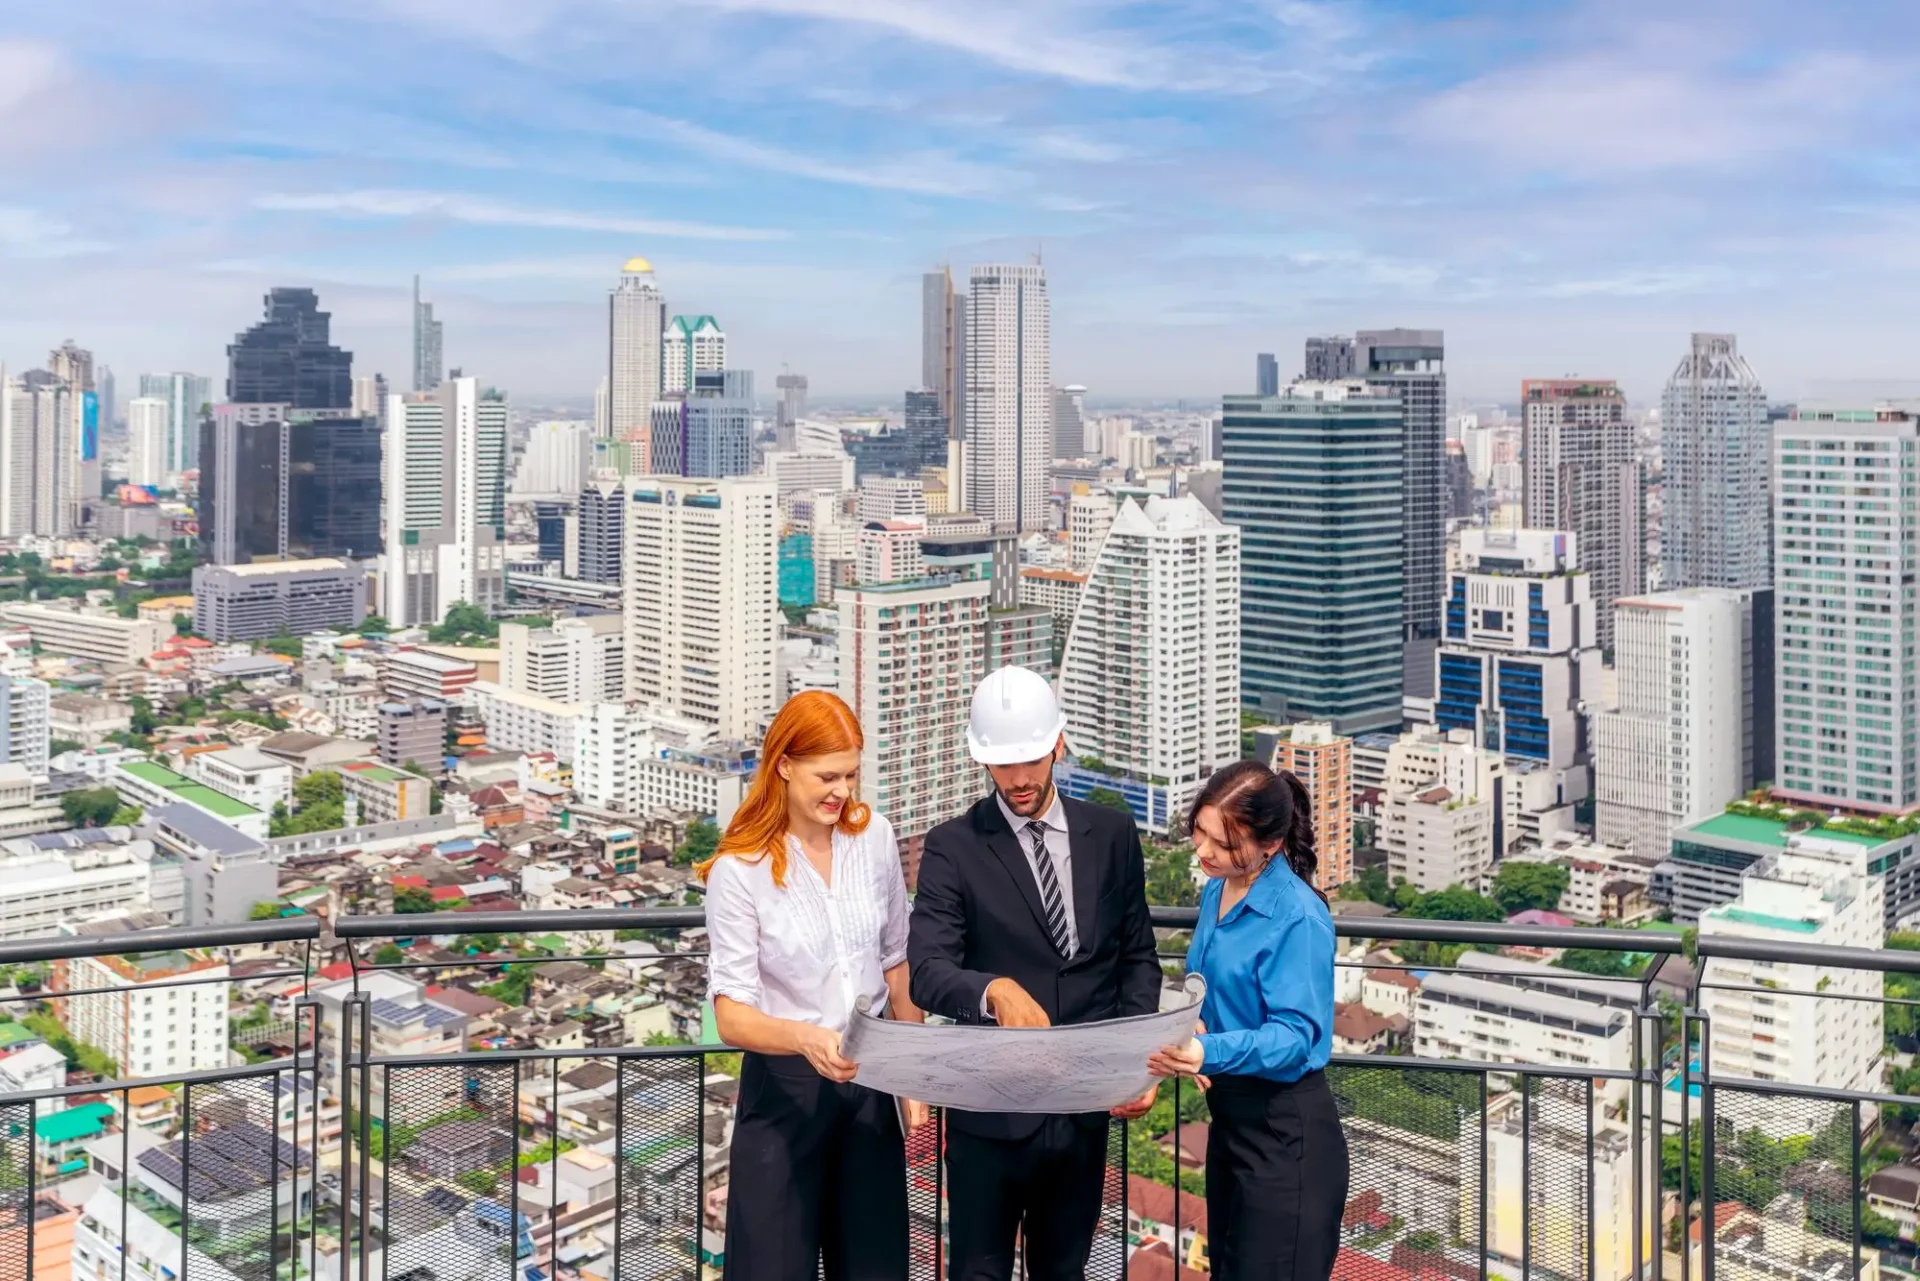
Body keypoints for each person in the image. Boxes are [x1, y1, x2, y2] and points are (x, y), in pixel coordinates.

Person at [909, 665, 1163, 1281]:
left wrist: (1134, 1064)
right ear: (982, 762)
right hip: (989, 1117)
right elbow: (927, 971)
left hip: (1083, 1114)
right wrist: (992, 991)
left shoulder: (1112, 833)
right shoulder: (953, 846)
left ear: (1058, 744)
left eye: (1030, 760)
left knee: (1066, 1271)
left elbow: (1137, 959)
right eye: (1002, 765)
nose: (1019, 780)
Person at [700, 690, 925, 1281]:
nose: (842, 792)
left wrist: (914, 1078)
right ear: (783, 765)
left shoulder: (874, 837)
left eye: (851, 775)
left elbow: (895, 964)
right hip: (785, 1095)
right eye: (827, 776)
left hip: (872, 1084)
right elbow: (732, 1016)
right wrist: (804, 1039)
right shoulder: (738, 870)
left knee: (876, 1268)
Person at [1147, 760, 1348, 1281]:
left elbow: (1296, 1037)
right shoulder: (1220, 887)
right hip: (1231, 1125)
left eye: (1224, 842)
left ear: (1272, 844)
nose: (1204, 851)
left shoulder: (1297, 915)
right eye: (1200, 832)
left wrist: (1208, 1051)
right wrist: (1193, 1028)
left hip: (1287, 1135)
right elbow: (1213, 992)